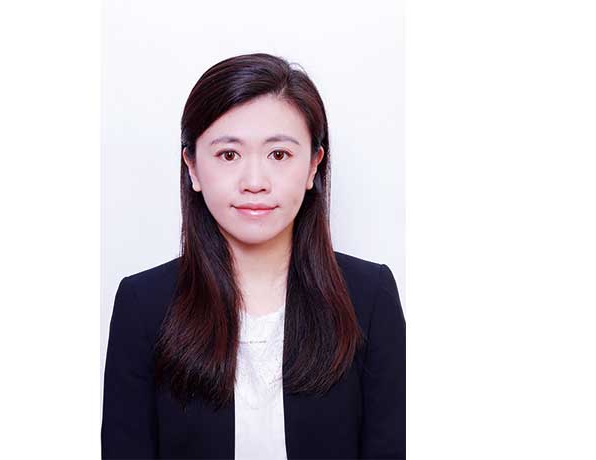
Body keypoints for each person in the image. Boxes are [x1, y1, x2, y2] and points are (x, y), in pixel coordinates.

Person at [101, 52, 405, 459]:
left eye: (279, 154)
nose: (255, 182)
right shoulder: (143, 305)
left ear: (314, 165)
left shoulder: (369, 298)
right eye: (229, 155)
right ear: (192, 167)